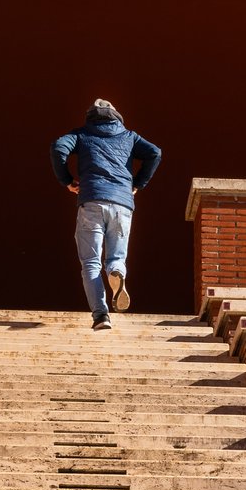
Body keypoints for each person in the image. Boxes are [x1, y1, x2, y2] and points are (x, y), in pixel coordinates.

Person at [50, 98, 162, 328]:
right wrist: (137, 183)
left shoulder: (81, 134)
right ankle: (117, 272)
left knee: (91, 263)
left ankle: (101, 315)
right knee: (116, 258)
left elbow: (58, 147)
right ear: (116, 117)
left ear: (90, 117)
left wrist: (67, 180)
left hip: (91, 200)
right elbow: (155, 153)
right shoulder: (129, 136)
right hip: (122, 204)